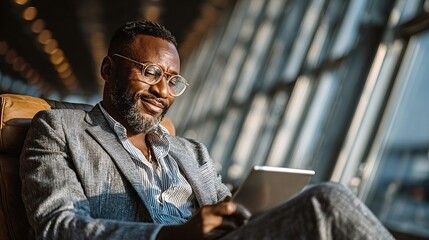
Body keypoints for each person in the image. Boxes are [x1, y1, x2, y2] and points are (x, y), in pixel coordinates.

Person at [19, 19, 394, 240]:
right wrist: (175, 236)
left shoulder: (191, 152)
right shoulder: (58, 129)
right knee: (327, 201)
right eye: (150, 73)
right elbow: (58, 227)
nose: (162, 92)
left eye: (172, 80)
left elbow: (231, 215)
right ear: (108, 69)